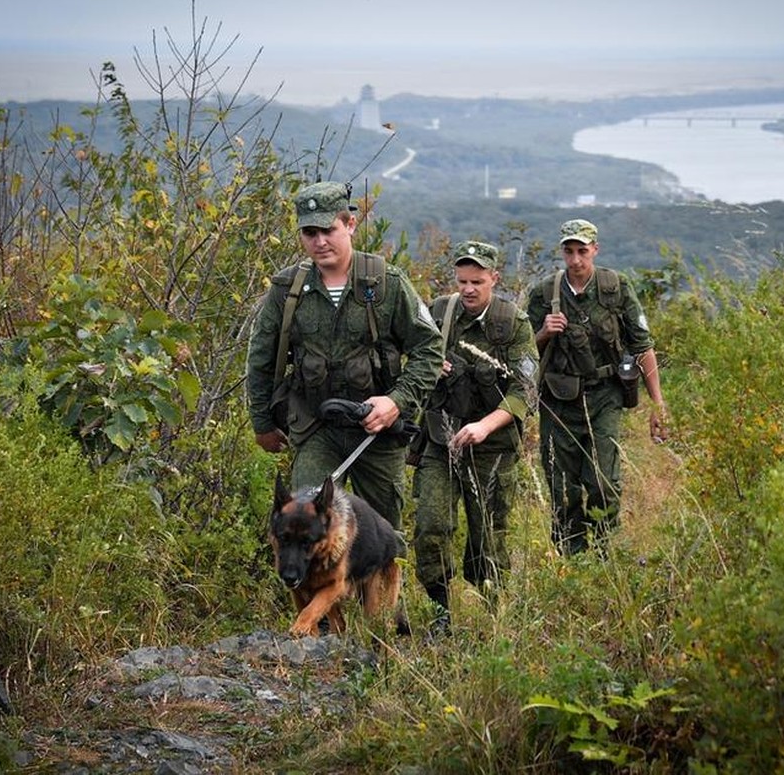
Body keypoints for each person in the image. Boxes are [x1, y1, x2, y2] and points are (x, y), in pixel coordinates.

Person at [246, 181, 443, 534]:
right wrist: (262, 422)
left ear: (349, 225)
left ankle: (377, 592)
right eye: (309, 232)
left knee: (383, 538)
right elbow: (260, 357)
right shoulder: (287, 290)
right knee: (302, 525)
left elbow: (429, 349)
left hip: (378, 433)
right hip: (315, 426)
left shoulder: (387, 284)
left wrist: (396, 402)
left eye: (328, 230)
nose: (319, 242)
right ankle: (316, 589)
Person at [411, 241, 537, 634]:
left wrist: (485, 426)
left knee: (488, 536)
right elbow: (412, 355)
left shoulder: (512, 323)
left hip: (491, 449)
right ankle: (440, 612)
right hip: (441, 439)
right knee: (431, 526)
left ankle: (492, 617)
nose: (468, 289)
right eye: (462, 280)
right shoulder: (439, 313)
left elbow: (526, 390)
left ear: (494, 279)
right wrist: (432, 365)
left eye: (477, 281)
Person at [526, 219, 668, 556]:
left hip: (605, 394)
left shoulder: (615, 288)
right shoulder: (545, 293)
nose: (575, 260)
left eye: (582, 252)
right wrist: (545, 332)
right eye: (569, 251)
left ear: (595, 250)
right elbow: (522, 354)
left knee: (603, 481)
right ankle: (570, 558)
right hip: (558, 399)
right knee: (562, 486)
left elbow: (642, 346)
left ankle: (605, 553)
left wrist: (658, 403)